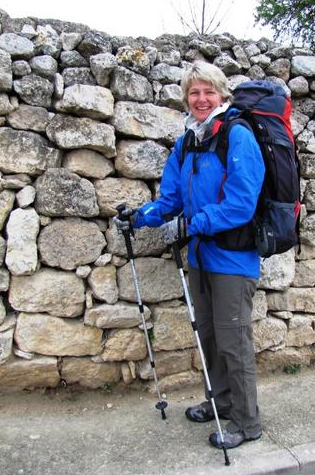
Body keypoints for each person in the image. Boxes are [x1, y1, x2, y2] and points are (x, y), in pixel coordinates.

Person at [113, 61, 265, 450]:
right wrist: (140, 217)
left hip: (233, 260)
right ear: (186, 98)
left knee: (234, 342)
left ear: (222, 94)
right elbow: (171, 199)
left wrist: (191, 225)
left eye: (208, 91)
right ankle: (221, 403)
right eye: (193, 92)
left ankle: (247, 423)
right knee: (210, 338)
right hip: (200, 259)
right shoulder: (187, 142)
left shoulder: (237, 136)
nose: (201, 99)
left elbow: (241, 204)